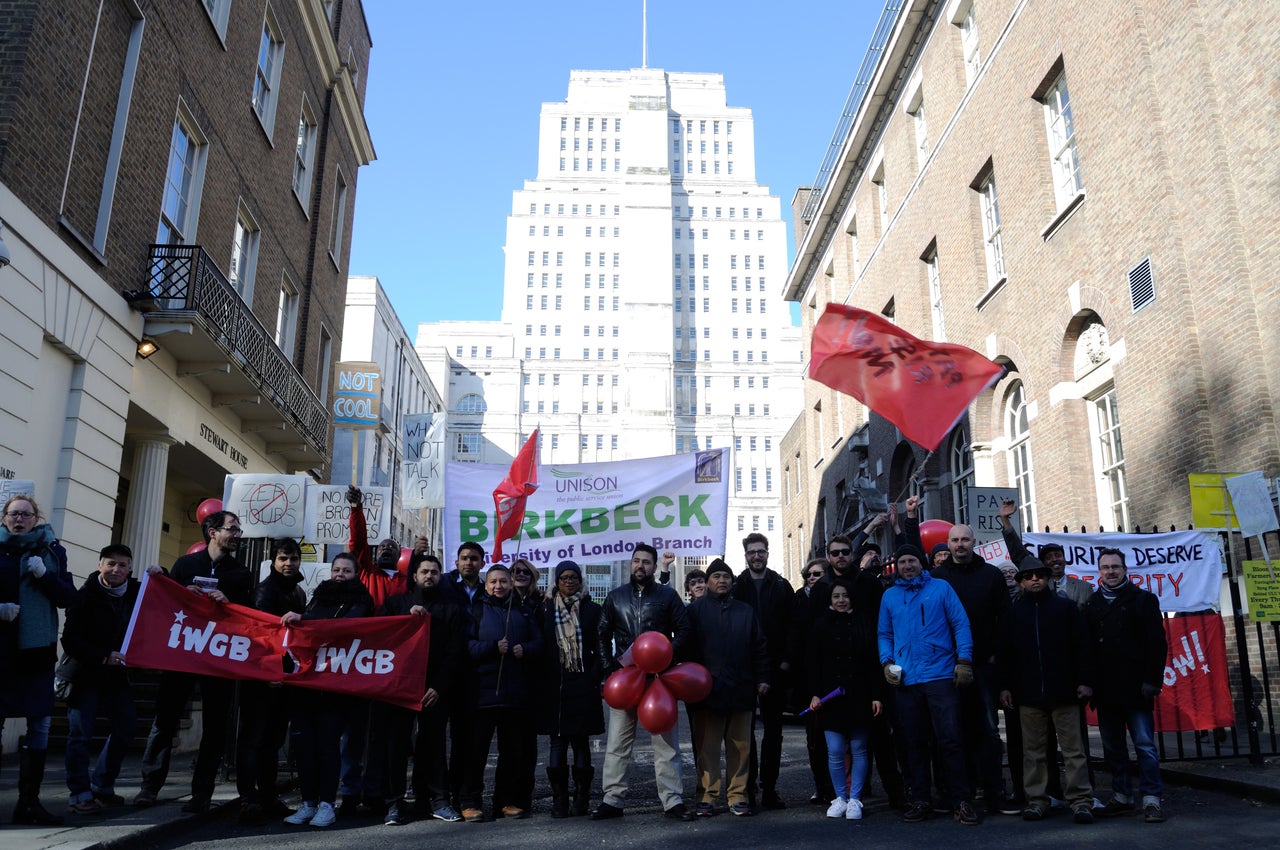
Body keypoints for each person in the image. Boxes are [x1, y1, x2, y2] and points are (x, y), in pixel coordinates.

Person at [136, 510, 252, 811]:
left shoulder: (241, 573)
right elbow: (166, 603)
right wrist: (177, 590)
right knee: (165, 720)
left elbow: (249, 619)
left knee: (215, 727)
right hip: (183, 655)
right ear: (212, 532)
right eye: (233, 529)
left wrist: (230, 603)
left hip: (217, 659)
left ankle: (202, 792)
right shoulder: (186, 565)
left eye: (238, 530)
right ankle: (149, 787)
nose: (238, 535)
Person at [918, 499, 1015, 817]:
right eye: (955, 540)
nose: (960, 545)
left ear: (974, 543)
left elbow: (1005, 622)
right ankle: (955, 794)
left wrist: (999, 667)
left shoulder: (991, 576)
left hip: (984, 666)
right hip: (946, 669)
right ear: (948, 544)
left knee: (987, 733)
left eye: (965, 540)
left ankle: (994, 792)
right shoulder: (936, 578)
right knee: (949, 732)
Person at [592, 543, 694, 821]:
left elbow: (685, 631)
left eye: (647, 562)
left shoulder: (668, 596)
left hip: (659, 681)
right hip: (626, 680)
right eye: (636, 561)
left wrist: (667, 654)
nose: (641, 566)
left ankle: (672, 800)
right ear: (630, 563)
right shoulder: (615, 597)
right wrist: (609, 669)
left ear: (653, 565)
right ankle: (612, 799)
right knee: (617, 743)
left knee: (666, 745)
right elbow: (601, 634)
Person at [877, 544, 978, 826]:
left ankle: (961, 800)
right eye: (902, 562)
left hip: (941, 675)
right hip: (907, 679)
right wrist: (886, 662)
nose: (907, 566)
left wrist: (964, 660)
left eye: (912, 561)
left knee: (951, 741)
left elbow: (960, 624)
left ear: (922, 563)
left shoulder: (942, 588)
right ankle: (921, 799)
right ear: (896, 566)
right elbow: (884, 633)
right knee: (914, 744)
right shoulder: (890, 596)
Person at [61, 545, 159, 815]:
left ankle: (102, 786)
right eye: (111, 564)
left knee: (126, 728)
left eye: (123, 565)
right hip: (85, 674)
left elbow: (167, 593)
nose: (116, 570)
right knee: (80, 735)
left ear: (130, 568)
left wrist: (162, 574)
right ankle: (80, 794)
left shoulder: (136, 591)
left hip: (116, 677)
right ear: (100, 564)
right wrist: (104, 656)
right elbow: (70, 641)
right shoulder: (83, 596)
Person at [282, 553, 377, 828]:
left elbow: (343, 629)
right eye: (336, 569)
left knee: (327, 746)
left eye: (346, 571)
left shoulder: (361, 600)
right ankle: (308, 803)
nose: (339, 575)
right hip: (307, 684)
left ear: (355, 574)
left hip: (335, 687)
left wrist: (304, 621)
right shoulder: (318, 596)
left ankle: (326, 804)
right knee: (305, 748)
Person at [997, 560, 1096, 824]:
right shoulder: (1014, 614)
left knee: (1074, 751)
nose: (1034, 580)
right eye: (1027, 576)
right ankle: (1037, 800)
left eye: (1039, 575)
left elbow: (1082, 646)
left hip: (1064, 692)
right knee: (1034, 752)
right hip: (1028, 695)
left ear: (1047, 578)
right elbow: (1005, 654)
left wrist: (1085, 680)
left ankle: (1081, 801)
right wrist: (1005, 685)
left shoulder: (1065, 608)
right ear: (1021, 582)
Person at [1, 494, 76, 825]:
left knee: (40, 723)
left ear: (36, 518)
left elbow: (68, 598)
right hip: (0, 652)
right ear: (4, 518)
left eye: (26, 514)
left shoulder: (51, 551)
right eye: (13, 514)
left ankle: (28, 803)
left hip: (36, 651)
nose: (19, 519)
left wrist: (45, 575)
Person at [378, 554, 465, 825]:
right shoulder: (395, 605)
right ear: (413, 576)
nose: (429, 576)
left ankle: (439, 800)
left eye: (435, 572)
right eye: (424, 571)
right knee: (395, 746)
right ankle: (393, 803)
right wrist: (406, 617)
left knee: (434, 745)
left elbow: (455, 651)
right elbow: (379, 638)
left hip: (434, 690)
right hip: (399, 689)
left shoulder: (452, 608)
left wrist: (439, 686)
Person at [1086, 548, 1168, 823]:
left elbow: (1157, 644)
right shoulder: (1092, 604)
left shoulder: (1143, 600)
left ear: (1125, 570)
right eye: (1105, 567)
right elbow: (1086, 649)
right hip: (1106, 690)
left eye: (1115, 567)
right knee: (1113, 748)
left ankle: (1151, 799)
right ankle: (1122, 796)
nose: (1110, 571)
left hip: (1136, 688)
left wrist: (1152, 681)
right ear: (1098, 572)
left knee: (1144, 745)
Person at [686, 558, 768, 818]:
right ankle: (707, 796)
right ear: (707, 582)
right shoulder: (695, 611)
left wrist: (763, 677)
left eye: (726, 577)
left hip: (741, 688)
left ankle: (738, 795)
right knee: (707, 748)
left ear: (732, 581)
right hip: (707, 691)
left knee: (740, 747)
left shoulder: (746, 611)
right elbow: (686, 648)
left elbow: (760, 647)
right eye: (716, 576)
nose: (722, 580)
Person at [460, 564, 543, 822]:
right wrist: (492, 648)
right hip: (482, 693)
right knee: (476, 752)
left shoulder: (524, 611)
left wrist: (525, 650)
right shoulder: (475, 610)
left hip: (514, 693)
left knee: (512, 752)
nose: (499, 586)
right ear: (486, 585)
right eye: (494, 582)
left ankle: (505, 801)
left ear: (510, 584)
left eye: (503, 582)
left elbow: (539, 643)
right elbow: (466, 647)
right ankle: (470, 801)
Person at [236, 538, 307, 825]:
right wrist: (269, 672)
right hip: (261, 680)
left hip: (284, 679)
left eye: (293, 558)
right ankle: (248, 798)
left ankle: (267, 796)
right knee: (253, 739)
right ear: (273, 561)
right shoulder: (265, 591)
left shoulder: (299, 592)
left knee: (273, 740)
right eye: (282, 558)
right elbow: (261, 637)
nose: (288, 563)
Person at [807, 583, 883, 820]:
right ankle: (840, 797)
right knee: (835, 750)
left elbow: (873, 663)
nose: (841, 600)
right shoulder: (820, 625)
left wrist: (876, 695)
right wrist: (814, 693)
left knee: (860, 749)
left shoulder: (864, 623)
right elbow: (813, 663)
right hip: (830, 696)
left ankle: (855, 799)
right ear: (830, 599)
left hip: (859, 694)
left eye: (846, 596)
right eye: (836, 596)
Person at [730, 533, 794, 811]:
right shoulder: (736, 586)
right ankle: (748, 787)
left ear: (767, 553)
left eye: (761, 551)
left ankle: (770, 788)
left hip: (776, 669)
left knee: (773, 731)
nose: (756, 556)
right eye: (751, 552)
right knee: (745, 734)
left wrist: (786, 661)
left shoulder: (781, 585)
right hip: (745, 669)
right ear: (745, 555)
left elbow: (794, 626)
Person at [537, 560, 604, 818]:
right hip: (554, 685)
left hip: (582, 684)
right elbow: (540, 643)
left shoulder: (591, 610)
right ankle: (559, 800)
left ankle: (582, 799)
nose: (568, 581)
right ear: (557, 581)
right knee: (556, 743)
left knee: (581, 743)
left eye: (573, 577)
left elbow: (600, 646)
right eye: (563, 577)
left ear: (580, 579)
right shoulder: (544, 609)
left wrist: (594, 675)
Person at [790, 558, 836, 807]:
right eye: (809, 574)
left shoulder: (836, 598)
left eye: (818, 574)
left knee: (839, 737)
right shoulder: (798, 599)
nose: (812, 578)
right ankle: (822, 787)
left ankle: (844, 786)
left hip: (834, 677)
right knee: (815, 738)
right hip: (807, 679)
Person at [446, 541, 487, 807]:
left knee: (471, 738)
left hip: (477, 674)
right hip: (446, 670)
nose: (468, 562)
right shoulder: (444, 586)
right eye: (464, 558)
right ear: (457, 561)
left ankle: (468, 795)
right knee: (441, 738)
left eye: (474, 558)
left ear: (482, 563)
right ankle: (441, 795)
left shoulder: (487, 591)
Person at [998, 499, 1090, 608]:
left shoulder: (1084, 587)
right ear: (1042, 564)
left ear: (1065, 560)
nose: (1054, 559)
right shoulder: (1037, 585)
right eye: (1048, 557)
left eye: (1058, 555)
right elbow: (1017, 551)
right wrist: (1005, 520)